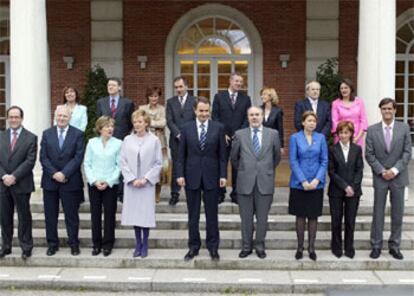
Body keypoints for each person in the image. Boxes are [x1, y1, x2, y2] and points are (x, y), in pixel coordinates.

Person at [176, 97, 227, 262]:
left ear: (210, 111)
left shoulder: (218, 128)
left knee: (212, 215)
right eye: (201, 111)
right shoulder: (186, 128)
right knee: (193, 216)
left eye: (206, 111)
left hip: (212, 176)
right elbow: (180, 155)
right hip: (192, 176)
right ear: (195, 111)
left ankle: (213, 248)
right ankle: (193, 247)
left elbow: (222, 156)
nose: (204, 113)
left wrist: (223, 175)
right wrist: (180, 174)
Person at [231, 106, 281, 259]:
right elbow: (234, 158)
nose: (254, 117)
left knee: (262, 218)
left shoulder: (273, 134)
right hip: (245, 182)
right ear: (248, 117)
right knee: (245, 218)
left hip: (264, 182)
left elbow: (276, 157)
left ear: (262, 116)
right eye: (251, 115)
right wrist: (245, 170)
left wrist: (265, 170)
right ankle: (246, 246)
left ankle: (260, 245)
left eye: (257, 115)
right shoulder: (239, 134)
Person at [365, 98, 412, 260]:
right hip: (380, 177)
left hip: (398, 177)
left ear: (395, 110)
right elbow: (369, 154)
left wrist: (394, 170)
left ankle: (395, 246)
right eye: (384, 109)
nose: (387, 111)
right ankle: (376, 245)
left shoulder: (404, 128)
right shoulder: (372, 130)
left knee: (397, 214)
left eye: (389, 109)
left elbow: (407, 153)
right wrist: (381, 171)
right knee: (378, 212)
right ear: (380, 110)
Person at [40, 105, 84, 256]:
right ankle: (52, 244)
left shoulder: (78, 134)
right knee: (50, 215)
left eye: (65, 116)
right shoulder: (47, 134)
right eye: (59, 116)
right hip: (50, 182)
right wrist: (54, 173)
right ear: (55, 116)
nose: (61, 118)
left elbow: (78, 157)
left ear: (70, 117)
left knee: (71, 215)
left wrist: (64, 173)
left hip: (70, 181)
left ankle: (74, 243)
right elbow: (43, 157)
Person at [120, 110, 162, 258]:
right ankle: (137, 243)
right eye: (135, 122)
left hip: (146, 184)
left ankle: (145, 243)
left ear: (146, 123)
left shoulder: (154, 140)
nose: (137, 124)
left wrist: (146, 178)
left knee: (145, 215)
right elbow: (123, 161)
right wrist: (131, 179)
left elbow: (158, 163)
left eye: (140, 122)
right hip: (132, 184)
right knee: (134, 215)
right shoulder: (127, 140)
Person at [288, 111, 328, 261]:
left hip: (316, 184)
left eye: (314, 121)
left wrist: (317, 180)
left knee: (313, 216)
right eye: (309, 121)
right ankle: (300, 247)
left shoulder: (321, 138)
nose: (312, 123)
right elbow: (293, 161)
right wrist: (303, 180)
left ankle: (311, 248)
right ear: (303, 122)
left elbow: (324, 161)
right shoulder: (295, 138)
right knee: (300, 216)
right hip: (299, 184)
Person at [0, 106, 37, 260]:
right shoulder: (1, 136)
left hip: (21, 183)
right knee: (4, 217)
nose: (14, 120)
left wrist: (13, 176)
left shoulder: (31, 137)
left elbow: (30, 161)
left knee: (24, 217)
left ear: (22, 118)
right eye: (11, 117)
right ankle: (6, 246)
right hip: (2, 184)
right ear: (7, 118)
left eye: (16, 117)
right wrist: (4, 176)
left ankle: (26, 246)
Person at [84, 116, 122, 257]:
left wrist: (109, 181)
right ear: (100, 129)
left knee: (109, 215)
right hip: (94, 184)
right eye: (106, 126)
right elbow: (87, 163)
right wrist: (94, 181)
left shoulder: (118, 143)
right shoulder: (92, 143)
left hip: (110, 184)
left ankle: (108, 244)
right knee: (95, 215)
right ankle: (96, 244)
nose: (110, 129)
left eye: (111, 126)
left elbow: (119, 165)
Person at [212, 72, 252, 204]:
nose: (239, 84)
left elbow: (248, 118)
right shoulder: (219, 97)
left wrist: (239, 133)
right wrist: (222, 133)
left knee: (237, 166)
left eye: (241, 82)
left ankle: (236, 194)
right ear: (230, 81)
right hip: (222, 137)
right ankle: (220, 193)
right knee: (220, 165)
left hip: (239, 137)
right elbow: (215, 117)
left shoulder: (246, 99)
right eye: (237, 81)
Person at [328, 121, 363, 259]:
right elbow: (331, 171)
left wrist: (352, 187)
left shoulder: (357, 149)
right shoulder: (332, 149)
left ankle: (349, 247)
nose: (343, 135)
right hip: (336, 190)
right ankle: (336, 247)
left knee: (350, 220)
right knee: (336, 220)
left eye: (346, 132)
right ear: (338, 134)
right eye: (341, 132)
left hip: (353, 191)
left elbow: (359, 169)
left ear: (351, 134)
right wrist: (345, 186)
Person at [96, 77, 135, 201]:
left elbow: (130, 122)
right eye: (108, 85)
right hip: (106, 139)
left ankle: (122, 192)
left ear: (119, 87)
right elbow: (99, 121)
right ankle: (109, 187)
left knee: (122, 164)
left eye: (113, 85)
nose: (110, 87)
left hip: (122, 138)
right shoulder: (101, 102)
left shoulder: (128, 103)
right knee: (109, 163)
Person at [166, 76, 196, 206]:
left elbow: (198, 119)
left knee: (191, 166)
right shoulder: (171, 101)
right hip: (176, 140)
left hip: (192, 140)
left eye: (180, 86)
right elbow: (169, 120)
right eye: (176, 87)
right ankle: (175, 193)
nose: (178, 89)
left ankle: (192, 193)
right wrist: (178, 134)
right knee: (177, 166)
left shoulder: (194, 100)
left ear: (186, 87)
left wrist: (189, 135)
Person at [138, 86, 168, 203]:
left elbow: (163, 123)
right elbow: (139, 122)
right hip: (144, 141)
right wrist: (155, 123)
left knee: (160, 168)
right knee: (145, 166)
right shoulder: (142, 108)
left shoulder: (163, 109)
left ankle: (157, 193)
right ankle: (145, 191)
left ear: (159, 97)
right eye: (151, 96)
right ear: (148, 97)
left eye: (156, 96)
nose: (153, 98)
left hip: (160, 141)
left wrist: (148, 123)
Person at [331, 79, 368, 146]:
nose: (343, 90)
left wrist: (357, 138)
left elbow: (363, 121)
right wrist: (343, 136)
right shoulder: (335, 103)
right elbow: (335, 122)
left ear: (351, 89)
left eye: (346, 88)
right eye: (341, 88)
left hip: (357, 137)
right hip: (341, 137)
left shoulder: (359, 102)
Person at [261, 87, 284, 153]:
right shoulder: (259, 109)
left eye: (264, 94)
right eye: (262, 94)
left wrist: (281, 146)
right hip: (260, 141)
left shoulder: (278, 111)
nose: (262, 96)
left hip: (272, 141)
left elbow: (280, 129)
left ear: (271, 96)